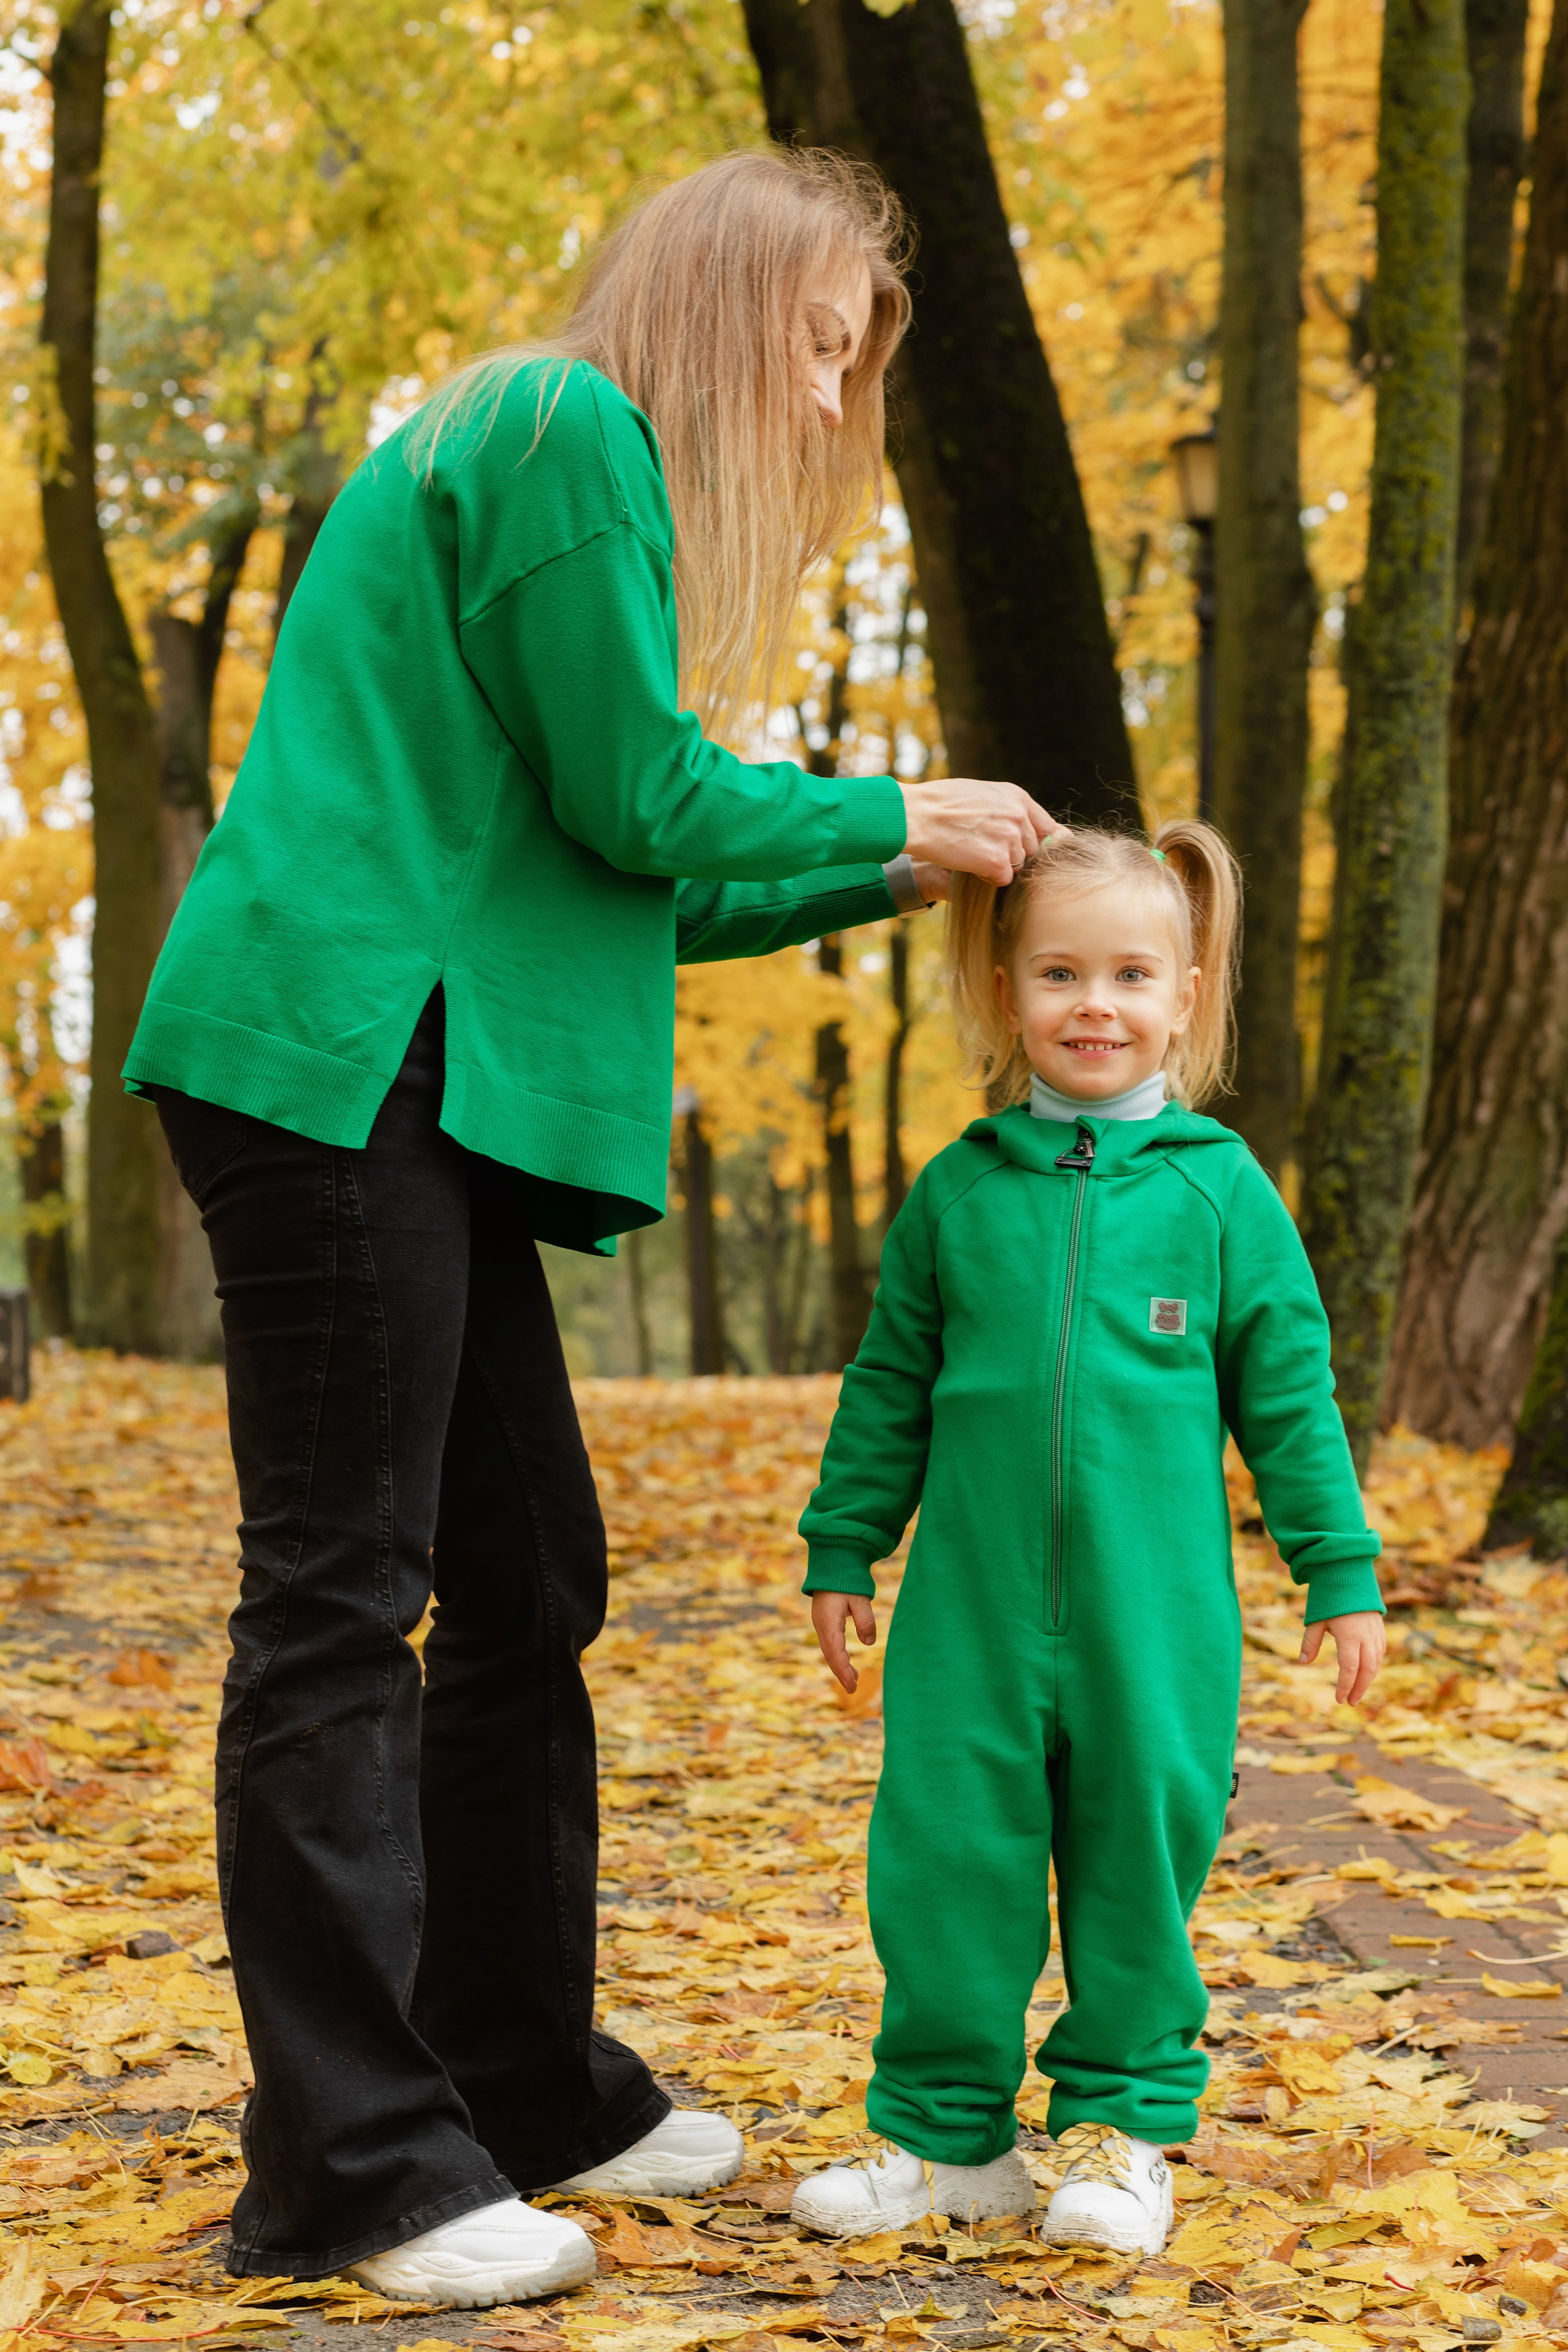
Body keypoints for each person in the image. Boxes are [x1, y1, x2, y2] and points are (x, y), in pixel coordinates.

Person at [121, 149, 1060, 2308]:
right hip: (336, 1048)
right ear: (730, 307)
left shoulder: (556, 469)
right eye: (821, 346)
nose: (831, 403)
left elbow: (620, 863)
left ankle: (520, 2083)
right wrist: (890, 809)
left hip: (415, 1060)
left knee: (526, 1568)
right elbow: (647, 796)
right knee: (345, 1600)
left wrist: (878, 863)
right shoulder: (559, 430)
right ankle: (351, 2168)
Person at [790, 822, 1386, 2254]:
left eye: (1130, 973)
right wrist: (839, 1545)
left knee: (1135, 1868)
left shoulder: (1219, 1189)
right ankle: (945, 2143)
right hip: (968, 1617)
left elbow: (1289, 1398)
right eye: (1059, 973)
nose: (1094, 1004)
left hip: (1153, 1621)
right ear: (1005, 992)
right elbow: (888, 1383)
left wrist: (1338, 1567)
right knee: (943, 1864)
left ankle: (1120, 2133)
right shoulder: (959, 1189)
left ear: (1185, 994)